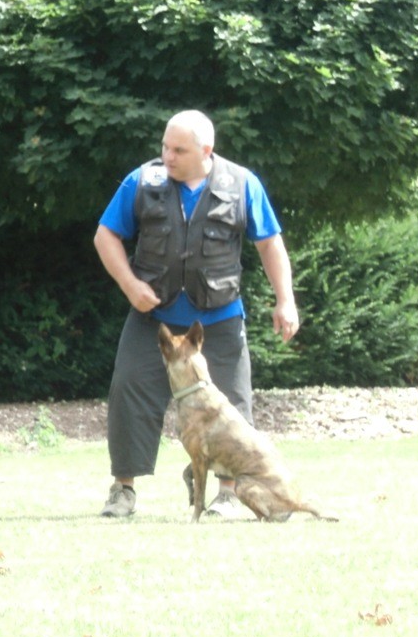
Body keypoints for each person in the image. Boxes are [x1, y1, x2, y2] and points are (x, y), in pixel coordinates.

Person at [93, 109, 300, 518]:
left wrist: (286, 299)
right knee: (129, 389)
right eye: (164, 147)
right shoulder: (142, 181)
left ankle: (227, 494)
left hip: (218, 318)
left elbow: (270, 243)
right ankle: (123, 489)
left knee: (233, 402)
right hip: (155, 319)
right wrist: (131, 286)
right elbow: (105, 235)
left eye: (179, 150)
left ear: (206, 150)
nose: (167, 156)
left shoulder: (241, 185)